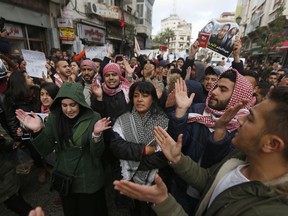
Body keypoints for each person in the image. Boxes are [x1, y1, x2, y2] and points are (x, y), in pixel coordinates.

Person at [114, 86, 288, 216]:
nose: (240, 119)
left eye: (250, 118)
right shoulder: (239, 159)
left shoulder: (269, 210)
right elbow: (209, 180)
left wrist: (164, 203)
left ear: (272, 144)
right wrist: (178, 159)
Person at [15, 82, 111, 216]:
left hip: (89, 177)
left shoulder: (94, 117)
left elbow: (97, 153)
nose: (69, 110)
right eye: (64, 105)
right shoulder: (54, 118)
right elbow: (46, 149)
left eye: (73, 104)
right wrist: (37, 131)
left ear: (81, 103)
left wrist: (96, 135)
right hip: (66, 177)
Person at [167, 69, 255, 215]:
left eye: (223, 89)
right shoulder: (197, 110)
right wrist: (180, 112)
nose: (214, 92)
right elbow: (177, 143)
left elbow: (217, 167)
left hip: (209, 197)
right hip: (180, 186)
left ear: (236, 97)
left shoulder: (243, 128)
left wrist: (219, 134)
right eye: (216, 86)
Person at [110, 81, 169, 215]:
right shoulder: (123, 119)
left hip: (154, 179)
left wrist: (136, 163)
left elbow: (163, 155)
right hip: (129, 180)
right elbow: (117, 147)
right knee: (134, 210)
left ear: (152, 98)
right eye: (136, 96)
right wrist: (145, 150)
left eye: (145, 95)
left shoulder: (162, 121)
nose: (139, 100)